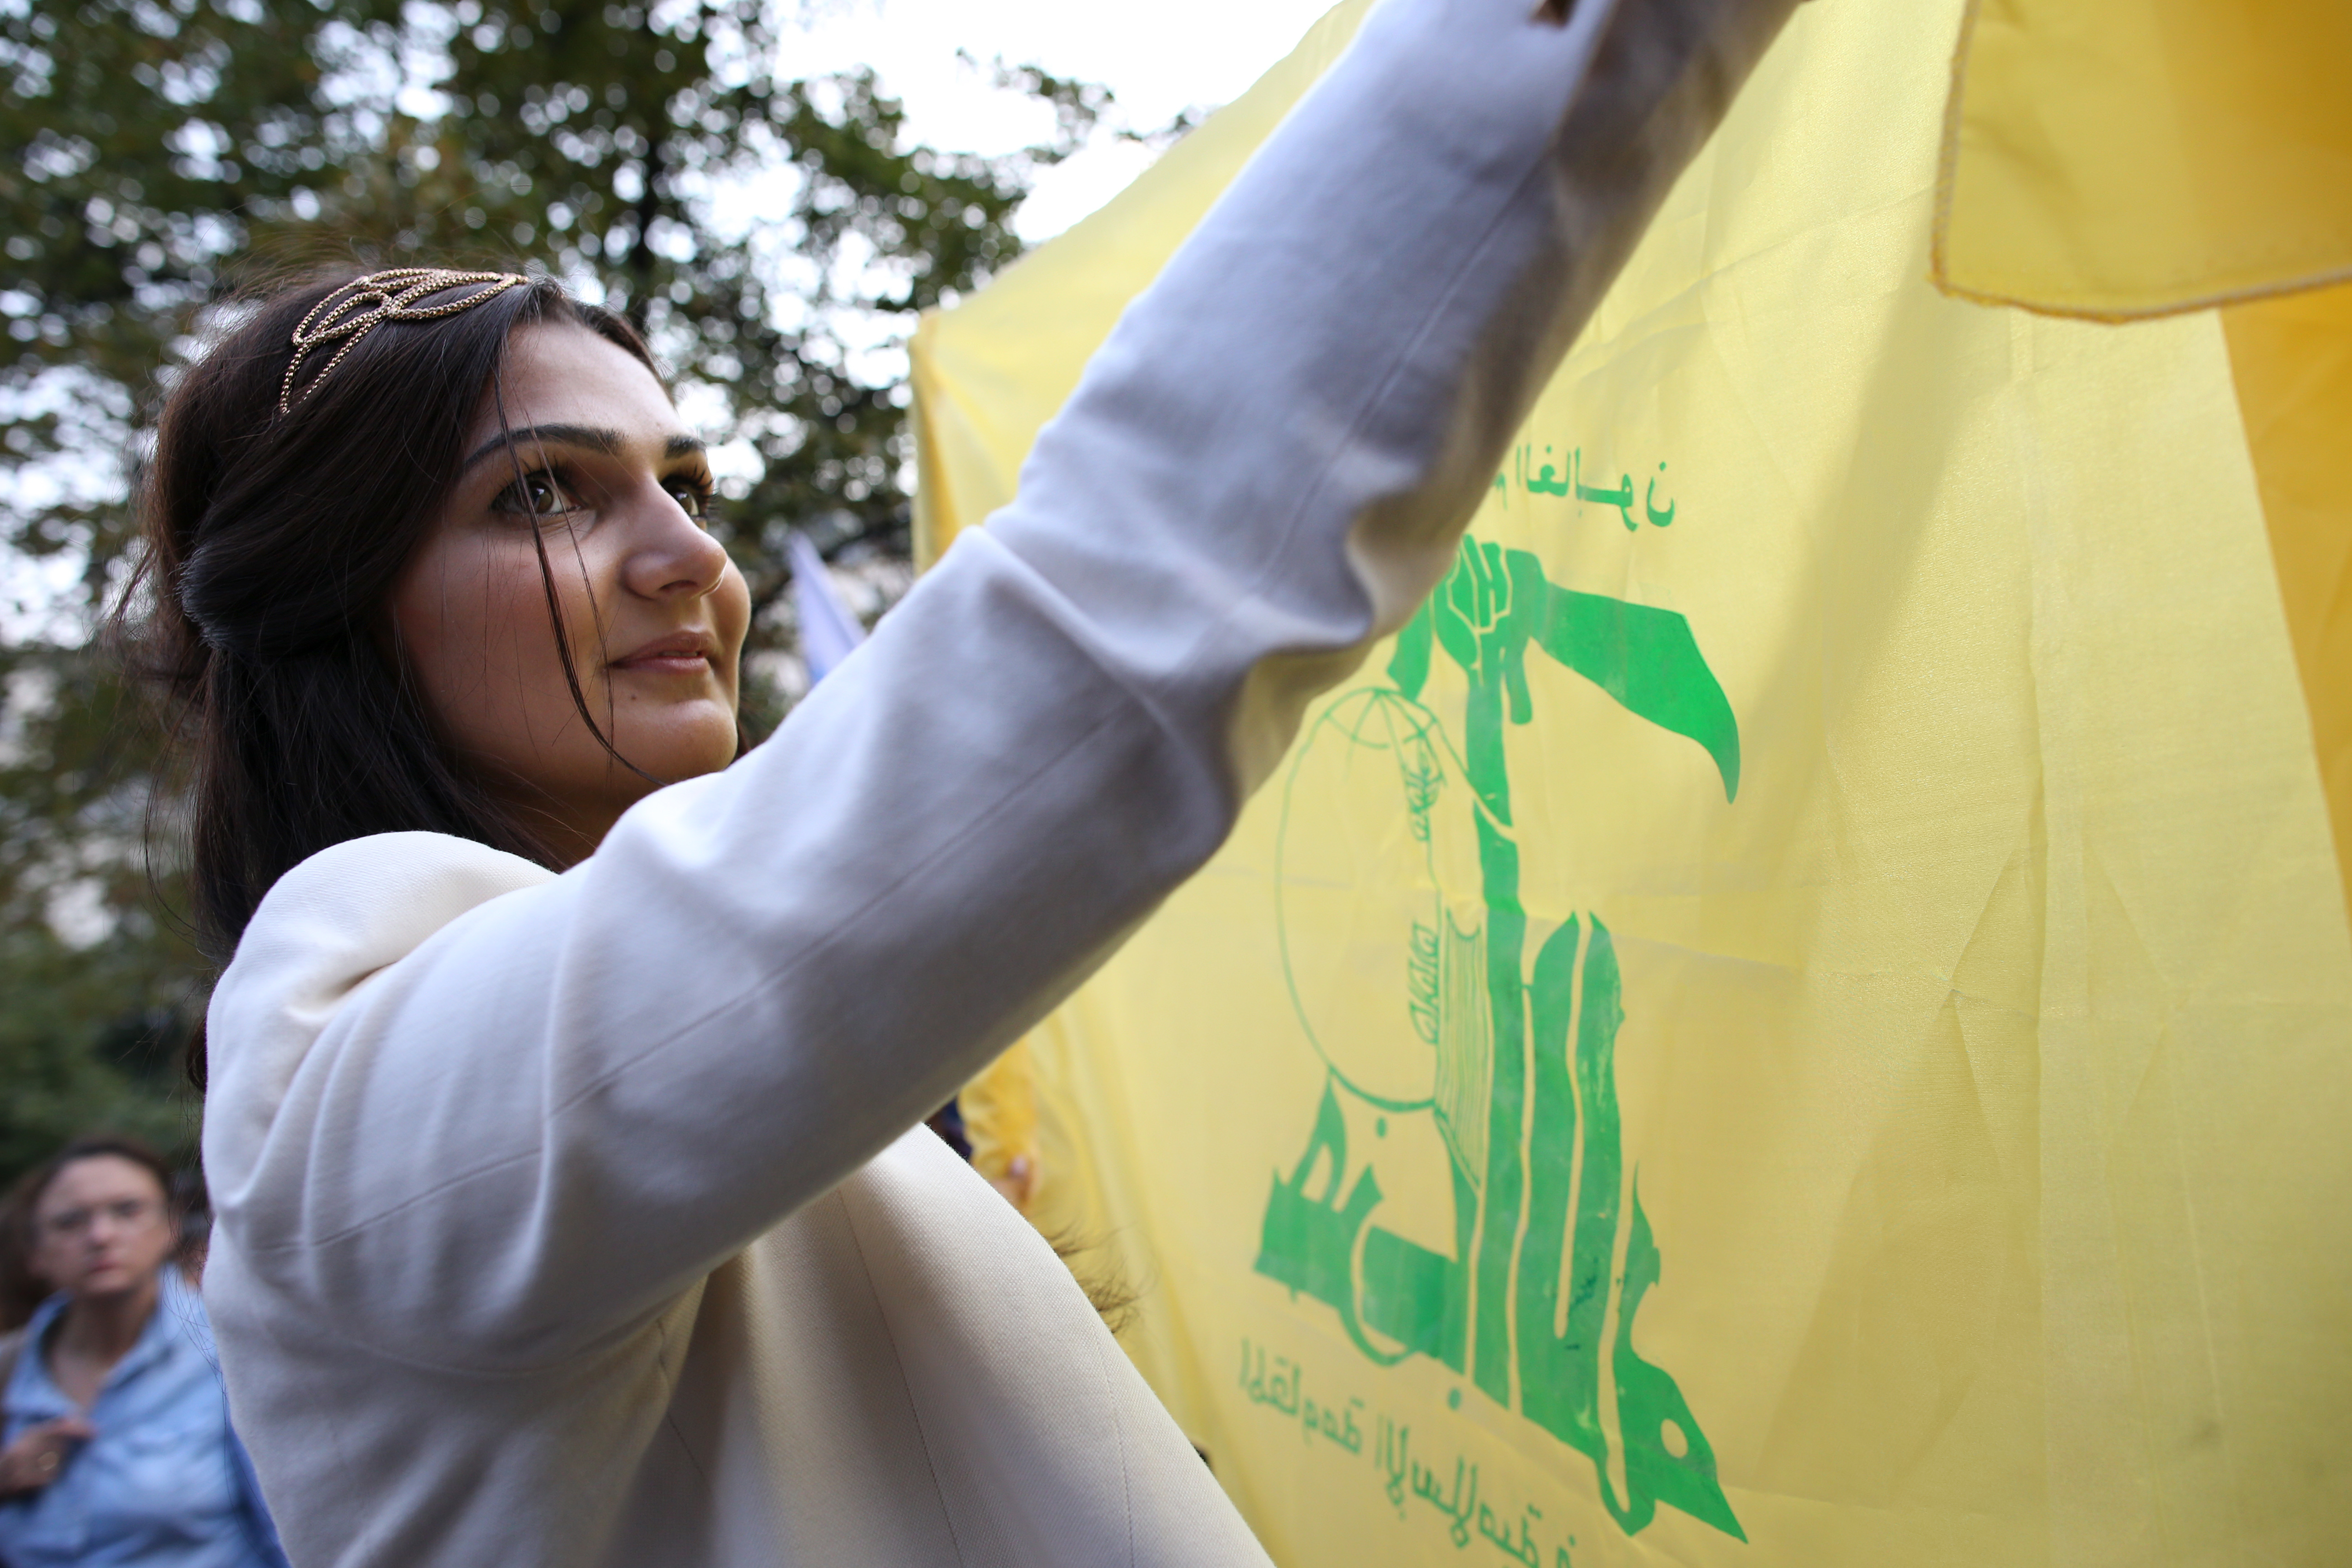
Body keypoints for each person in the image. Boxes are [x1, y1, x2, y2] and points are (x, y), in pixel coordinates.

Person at [146, 0, 1803, 1560]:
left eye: (689, 480)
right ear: (335, 604)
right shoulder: (356, 1116)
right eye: (543, 498)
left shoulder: (629, 1070)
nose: (690, 560)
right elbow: (1110, 621)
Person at [0, 1137, 287, 1568]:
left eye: (127, 1211)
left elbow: (287, 1534)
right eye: (70, 1222)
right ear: (35, 1252)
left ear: (170, 1223)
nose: (100, 1236)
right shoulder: (9, 1370)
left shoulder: (230, 1353)